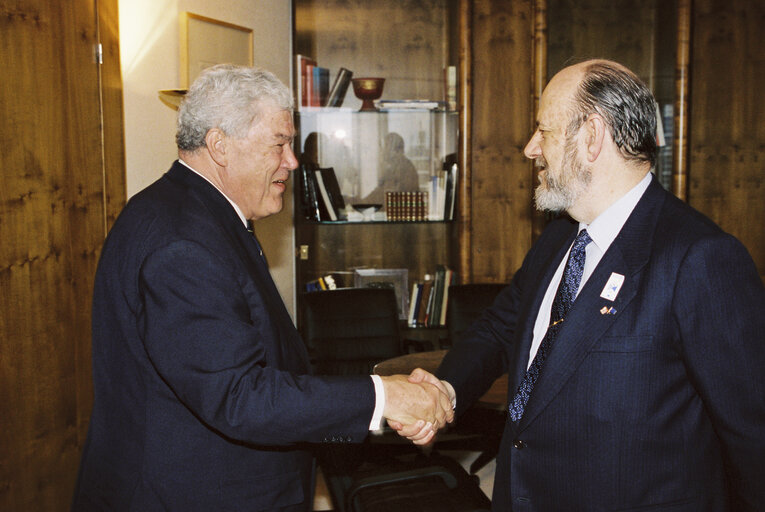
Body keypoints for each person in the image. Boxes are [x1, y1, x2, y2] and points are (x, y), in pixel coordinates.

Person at [71, 64, 453, 511]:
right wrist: (383, 396)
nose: (292, 161)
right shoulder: (183, 244)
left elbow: (265, 360)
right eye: (280, 143)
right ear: (220, 146)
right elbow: (238, 396)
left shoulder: (193, 212)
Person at [396, 60, 765, 510]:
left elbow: (750, 435)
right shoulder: (560, 235)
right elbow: (500, 327)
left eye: (543, 132)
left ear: (591, 137)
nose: (531, 148)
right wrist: (446, 389)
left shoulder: (700, 258)